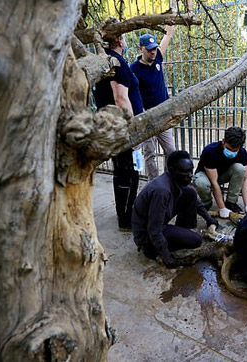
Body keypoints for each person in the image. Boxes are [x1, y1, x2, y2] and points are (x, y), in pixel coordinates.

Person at [131, 151, 218, 268]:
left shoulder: (177, 181)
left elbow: (196, 202)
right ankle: (151, 250)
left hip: (157, 224)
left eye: (191, 171)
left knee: (190, 192)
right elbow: (154, 230)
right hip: (146, 235)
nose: (190, 175)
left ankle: (181, 231)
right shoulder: (162, 192)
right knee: (196, 241)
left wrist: (209, 219)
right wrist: (167, 258)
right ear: (172, 171)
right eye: (185, 172)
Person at [93, 33, 143, 230]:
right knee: (127, 173)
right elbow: (120, 98)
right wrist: (133, 130)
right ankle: (126, 218)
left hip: (110, 124)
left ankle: (126, 214)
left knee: (126, 171)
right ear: (120, 41)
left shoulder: (102, 61)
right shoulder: (117, 63)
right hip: (122, 128)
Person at [130, 26, 176, 179]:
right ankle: (154, 183)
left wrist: (170, 29)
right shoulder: (134, 69)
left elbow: (166, 40)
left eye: (154, 48)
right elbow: (132, 94)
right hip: (147, 118)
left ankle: (169, 180)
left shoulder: (158, 58)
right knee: (149, 154)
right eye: (149, 49)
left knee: (171, 150)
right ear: (141, 48)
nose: (153, 51)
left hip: (164, 117)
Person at [193, 126, 247, 218]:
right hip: (207, 176)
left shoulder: (242, 153)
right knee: (201, 183)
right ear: (223, 141)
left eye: (235, 150)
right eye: (229, 148)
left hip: (224, 175)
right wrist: (221, 208)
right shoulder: (210, 151)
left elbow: (245, 180)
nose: (231, 152)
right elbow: (214, 182)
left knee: (241, 169)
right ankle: (206, 202)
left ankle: (231, 202)